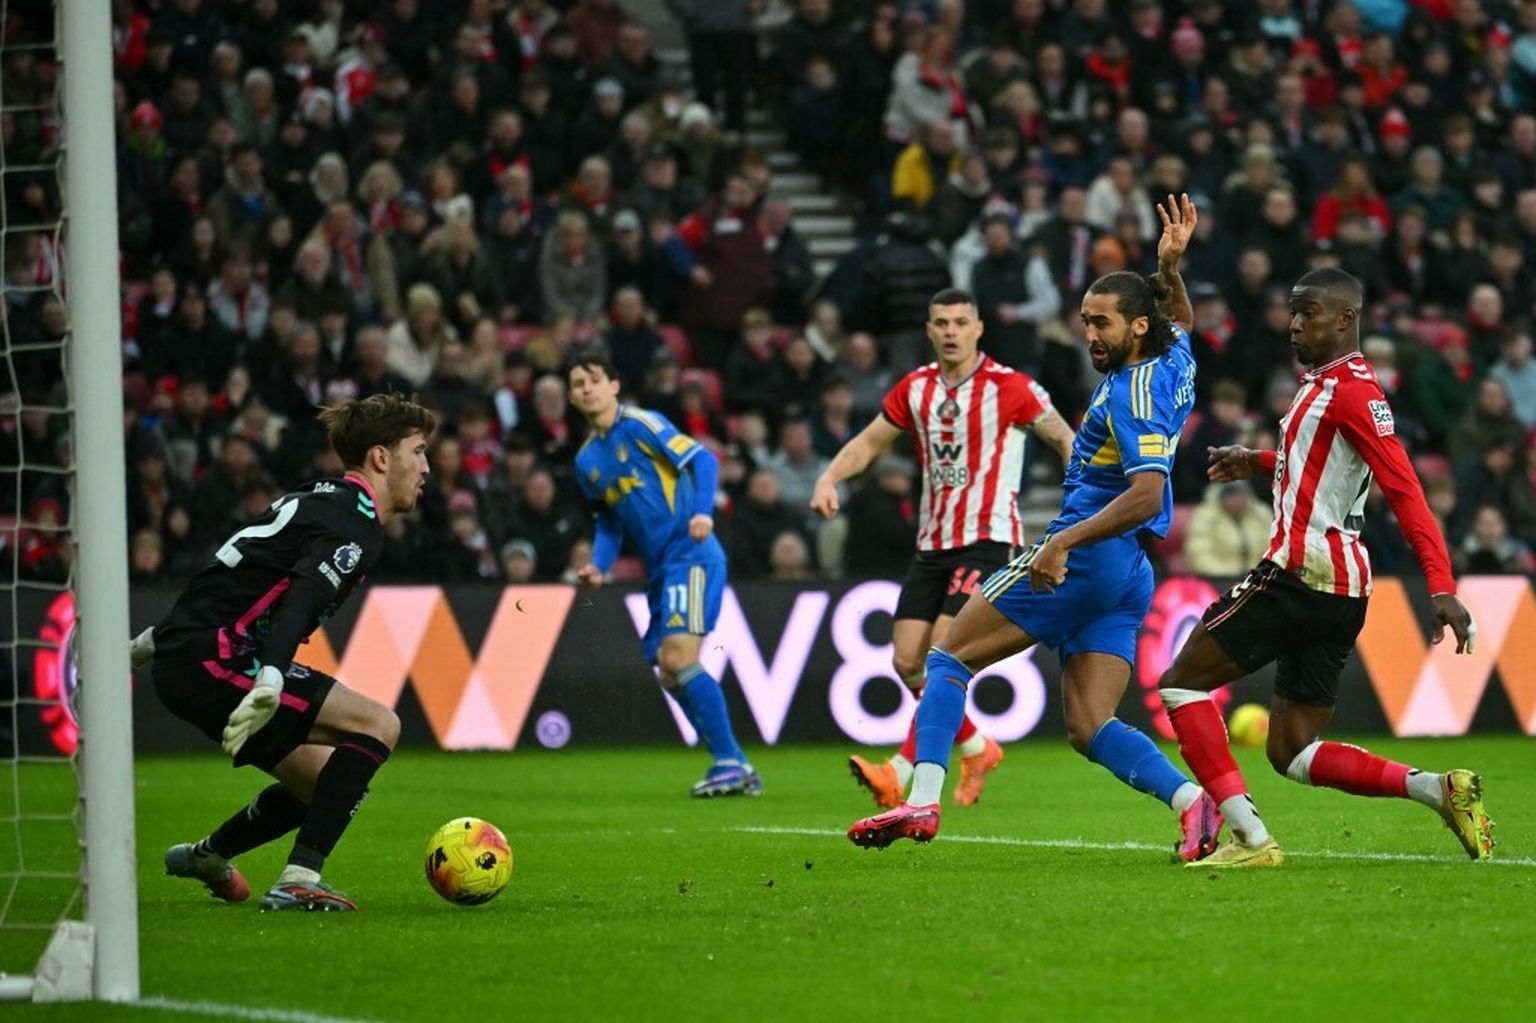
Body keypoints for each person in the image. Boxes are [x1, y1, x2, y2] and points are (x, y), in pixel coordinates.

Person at [847, 196, 1223, 864]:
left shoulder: (1132, 391)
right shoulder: (1174, 361)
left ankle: (923, 799)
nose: (1089, 334)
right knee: (1090, 726)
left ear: (1139, 326)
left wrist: (1062, 542)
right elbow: (1183, 321)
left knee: (946, 659)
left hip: (1085, 554)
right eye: (1085, 321)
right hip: (1128, 572)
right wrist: (1170, 269)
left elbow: (1145, 495)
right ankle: (1193, 802)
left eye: (1101, 323)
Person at [1156, 268, 1490, 868]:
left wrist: (1441, 585)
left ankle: (1250, 840)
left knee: (1181, 683)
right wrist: (1258, 460)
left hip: (1299, 569)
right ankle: (1439, 791)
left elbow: (1405, 490)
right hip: (1342, 589)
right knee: (1290, 750)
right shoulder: (1332, 383)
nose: (1293, 324)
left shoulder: (1352, 392)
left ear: (1345, 318)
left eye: (1307, 313)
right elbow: (1320, 463)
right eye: (1292, 312)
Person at [127, 394, 436, 911]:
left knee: (324, 782)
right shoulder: (355, 519)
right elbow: (301, 599)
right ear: (382, 457)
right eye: (419, 452)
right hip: (219, 658)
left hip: (194, 653)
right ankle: (300, 877)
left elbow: (236, 576)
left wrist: (148, 642)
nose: (427, 468)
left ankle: (208, 856)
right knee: (379, 724)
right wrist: (270, 675)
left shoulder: (319, 494)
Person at [811, 287, 1075, 810]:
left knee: (940, 656)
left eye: (960, 321)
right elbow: (869, 443)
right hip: (932, 544)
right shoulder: (915, 389)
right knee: (906, 661)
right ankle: (977, 747)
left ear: (978, 328)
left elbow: (1066, 439)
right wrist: (829, 476)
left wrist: (1076, 514)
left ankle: (898, 771)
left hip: (987, 539)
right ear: (929, 331)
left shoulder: (1011, 387)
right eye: (941, 322)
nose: (951, 331)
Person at [567, 348, 759, 797]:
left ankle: (730, 762)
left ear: (614, 385)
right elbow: (608, 523)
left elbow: (704, 460)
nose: (587, 389)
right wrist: (599, 564)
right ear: (572, 397)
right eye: (578, 384)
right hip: (660, 569)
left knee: (678, 658)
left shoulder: (641, 424)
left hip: (691, 552)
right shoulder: (586, 461)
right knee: (669, 673)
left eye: (594, 379)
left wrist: (703, 512)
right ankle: (733, 763)